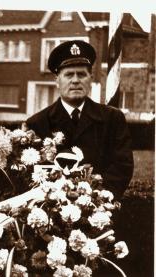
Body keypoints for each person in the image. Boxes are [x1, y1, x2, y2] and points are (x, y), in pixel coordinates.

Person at [26, 40, 133, 199]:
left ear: (90, 78)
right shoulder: (37, 123)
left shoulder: (112, 119)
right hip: (51, 212)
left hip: (102, 209)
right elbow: (32, 174)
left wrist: (97, 199)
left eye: (81, 74)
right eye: (69, 74)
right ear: (57, 80)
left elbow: (122, 167)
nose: (75, 80)